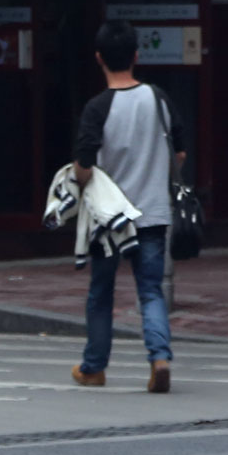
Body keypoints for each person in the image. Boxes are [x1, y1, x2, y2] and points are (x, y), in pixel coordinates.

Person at [71, 20, 187, 393]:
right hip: (152, 212)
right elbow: (179, 153)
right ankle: (159, 359)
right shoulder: (159, 99)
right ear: (137, 56)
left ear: (99, 58)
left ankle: (94, 367)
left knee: (101, 291)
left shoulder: (97, 108)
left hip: (109, 218)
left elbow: (84, 167)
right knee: (150, 290)